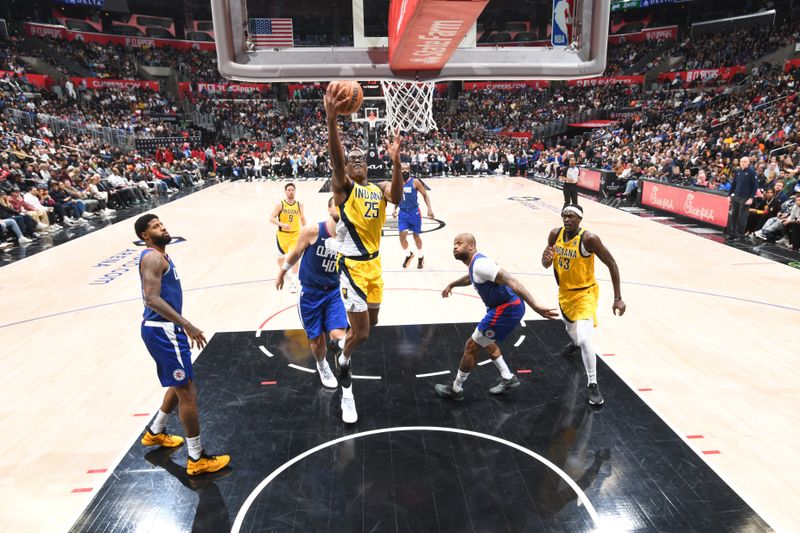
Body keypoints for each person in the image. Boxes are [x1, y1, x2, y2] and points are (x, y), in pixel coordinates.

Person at [324, 83, 403, 424]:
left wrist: (397, 160)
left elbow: (398, 196)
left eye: (360, 158)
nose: (355, 161)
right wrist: (331, 121)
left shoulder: (378, 188)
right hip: (352, 269)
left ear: (368, 165)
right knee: (365, 334)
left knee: (373, 324)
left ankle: (343, 346)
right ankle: (343, 361)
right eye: (351, 159)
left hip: (375, 267)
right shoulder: (345, 189)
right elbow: (337, 160)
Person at [135, 214, 230, 476]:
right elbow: (151, 299)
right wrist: (186, 324)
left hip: (165, 329)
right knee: (187, 392)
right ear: (145, 236)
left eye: (161, 223)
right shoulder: (152, 257)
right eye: (155, 226)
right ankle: (197, 458)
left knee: (181, 383)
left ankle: (155, 432)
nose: (162, 227)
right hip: (163, 330)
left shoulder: (160, 255)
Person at [435, 233, 558, 401]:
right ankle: (508, 378)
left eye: (459, 243)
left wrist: (535, 306)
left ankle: (456, 389)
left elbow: (511, 280)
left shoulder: (481, 265)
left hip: (506, 309)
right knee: (485, 340)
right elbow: (470, 278)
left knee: (471, 346)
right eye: (454, 244)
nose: (455, 247)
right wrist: (452, 284)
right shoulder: (475, 265)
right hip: (505, 307)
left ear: (471, 247)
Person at [541, 205, 626, 406]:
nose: (567, 219)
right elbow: (547, 263)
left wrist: (618, 298)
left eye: (571, 216)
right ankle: (575, 343)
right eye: (564, 215)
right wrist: (544, 261)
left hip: (586, 293)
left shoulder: (589, 239)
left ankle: (592, 384)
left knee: (585, 338)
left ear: (580, 219)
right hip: (565, 294)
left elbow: (612, 264)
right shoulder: (555, 234)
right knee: (573, 333)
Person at [275, 197, 348, 388]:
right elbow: (295, 253)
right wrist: (282, 272)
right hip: (310, 293)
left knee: (339, 336)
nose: (341, 210)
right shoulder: (313, 230)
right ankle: (322, 364)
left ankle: (344, 376)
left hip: (333, 292)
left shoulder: (349, 235)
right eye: (337, 206)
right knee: (317, 343)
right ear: (329, 209)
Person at [391, 162, 434, 269]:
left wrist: (430, 209)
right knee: (402, 236)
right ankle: (408, 255)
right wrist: (394, 209)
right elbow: (397, 198)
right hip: (403, 213)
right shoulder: (397, 183)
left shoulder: (415, 182)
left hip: (414, 212)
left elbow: (425, 195)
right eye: (403, 169)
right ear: (400, 170)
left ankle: (420, 257)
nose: (404, 170)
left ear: (409, 170)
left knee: (416, 236)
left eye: (406, 169)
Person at [269, 183, 305, 293]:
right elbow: (271, 218)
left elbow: (303, 219)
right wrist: (282, 224)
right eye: (289, 190)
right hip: (282, 235)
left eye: (293, 190)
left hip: (295, 234)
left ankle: (294, 283)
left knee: (295, 258)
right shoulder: (280, 204)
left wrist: (306, 228)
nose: (291, 192)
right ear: (285, 191)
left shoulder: (299, 204)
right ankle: (286, 273)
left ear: (295, 191)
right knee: (280, 260)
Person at [727, 156, 758, 241]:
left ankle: (740, 235)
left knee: (742, 217)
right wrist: (729, 195)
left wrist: (751, 198)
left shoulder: (752, 172)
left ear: (748, 163)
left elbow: (755, 186)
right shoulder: (738, 171)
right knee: (734, 216)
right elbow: (734, 184)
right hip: (736, 196)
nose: (743, 163)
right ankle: (733, 233)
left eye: (745, 161)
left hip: (745, 197)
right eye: (741, 161)